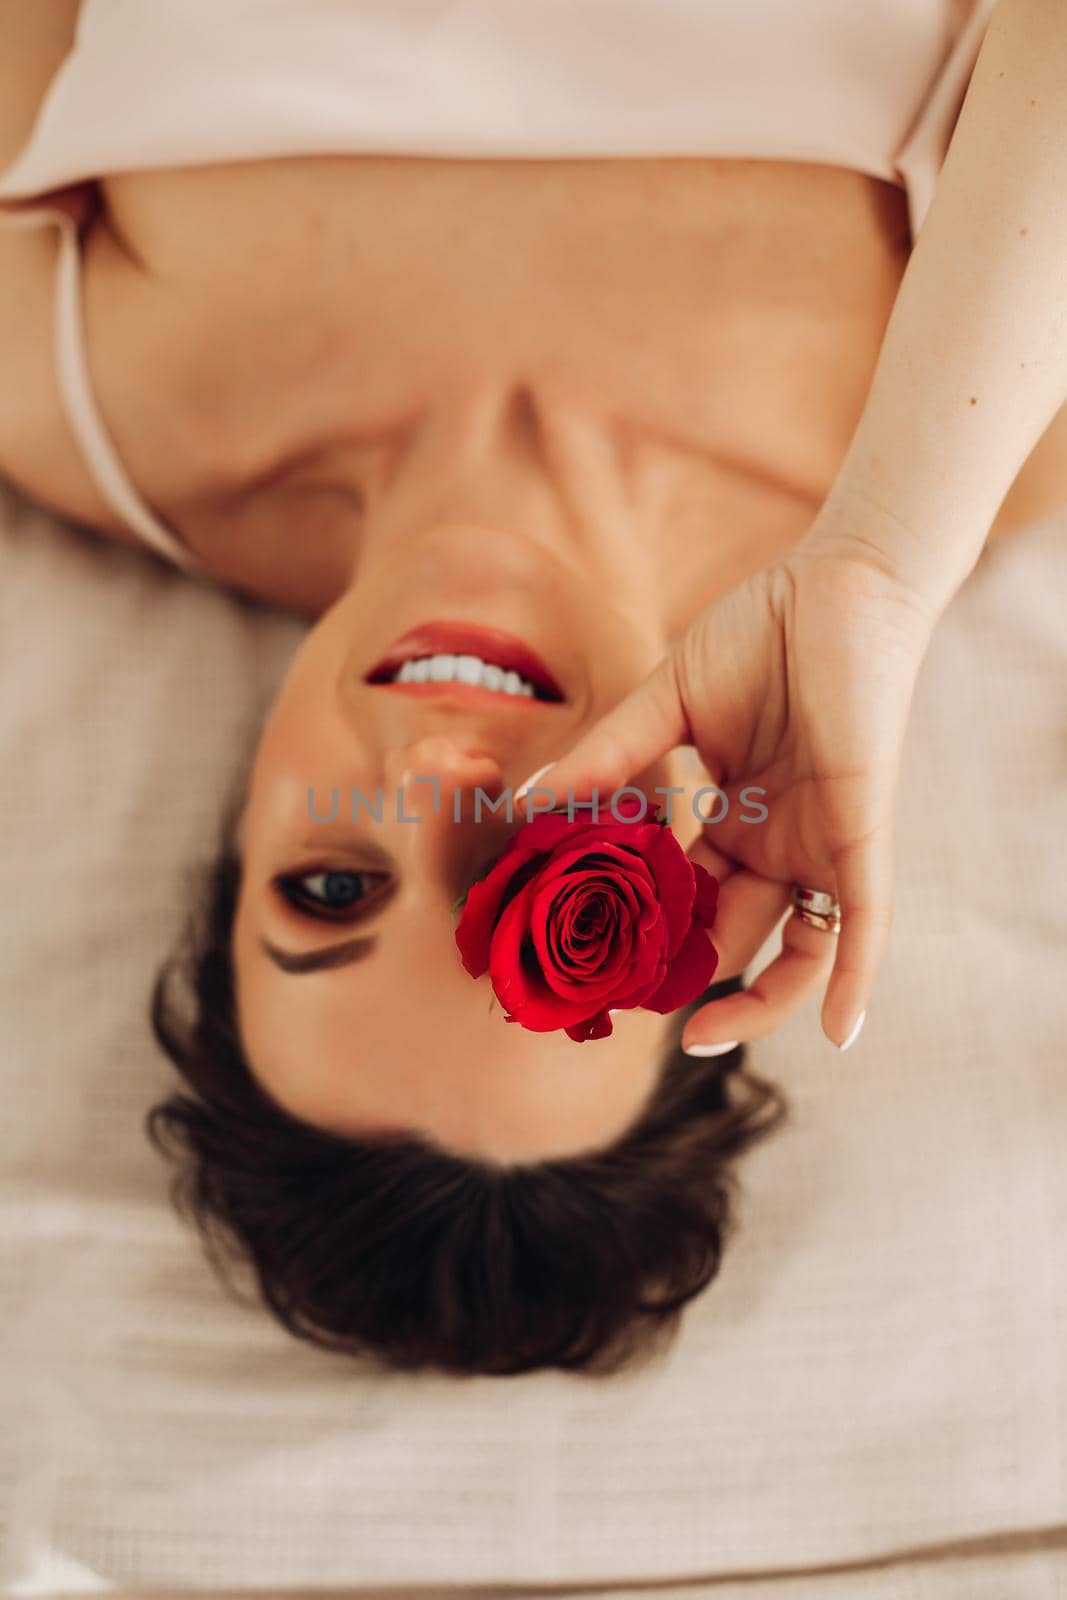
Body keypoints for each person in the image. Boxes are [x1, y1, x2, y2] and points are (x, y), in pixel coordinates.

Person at [1, 0, 1064, 1374]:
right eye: (535, 868)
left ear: (243, 831)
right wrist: (881, 557)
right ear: (704, 871)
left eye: (329, 887)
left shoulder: (64, 383)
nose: (438, 783)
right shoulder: (967, 457)